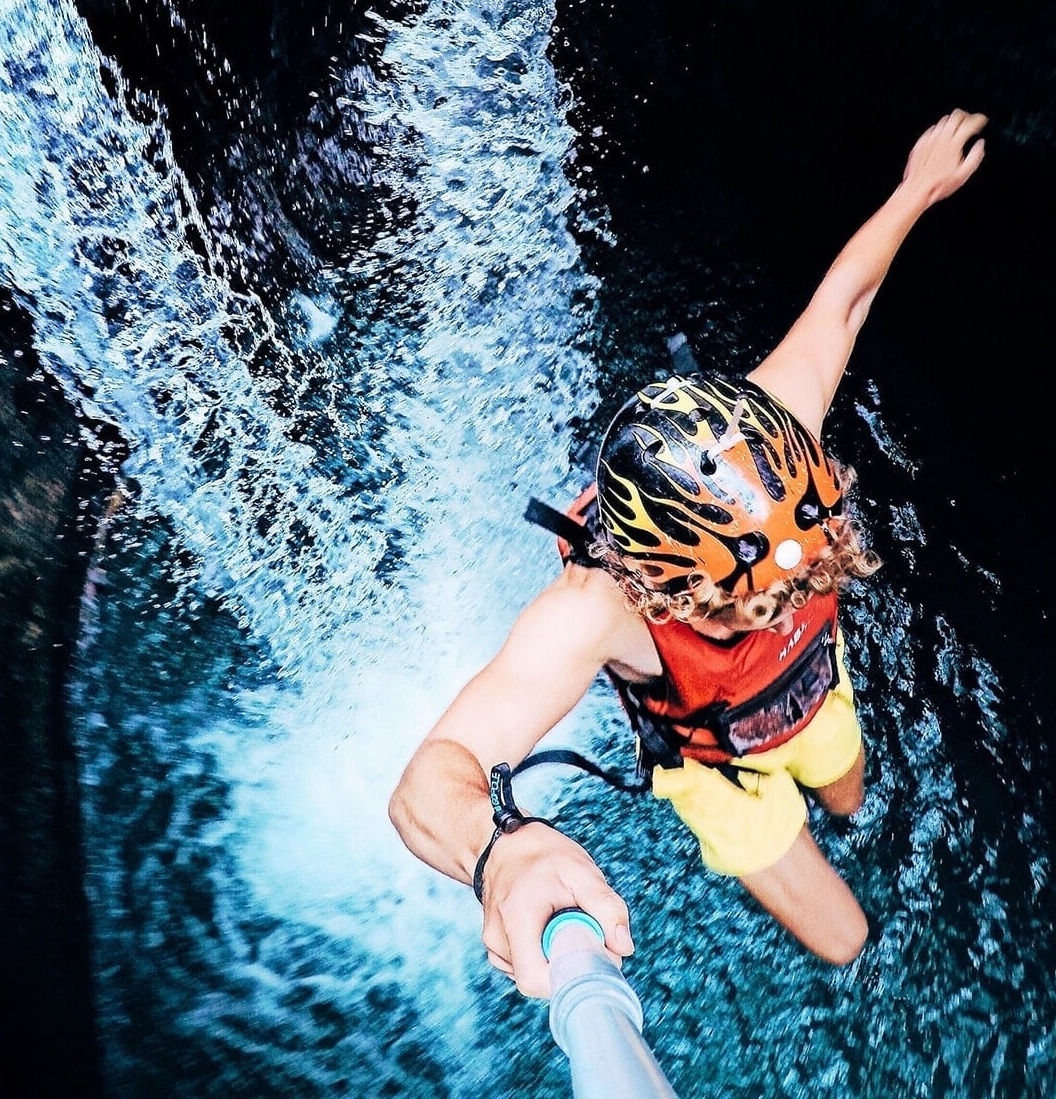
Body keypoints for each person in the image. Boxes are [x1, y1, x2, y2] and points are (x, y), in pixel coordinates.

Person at [388, 109, 989, 996]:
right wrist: (499, 854)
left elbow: (846, 300)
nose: (787, 601)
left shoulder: (772, 437)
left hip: (812, 686)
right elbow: (425, 786)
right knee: (847, 938)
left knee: (848, 793)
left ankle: (836, 805)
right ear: (660, 594)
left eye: (805, 563)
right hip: (720, 764)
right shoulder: (596, 613)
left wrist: (915, 190)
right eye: (755, 602)